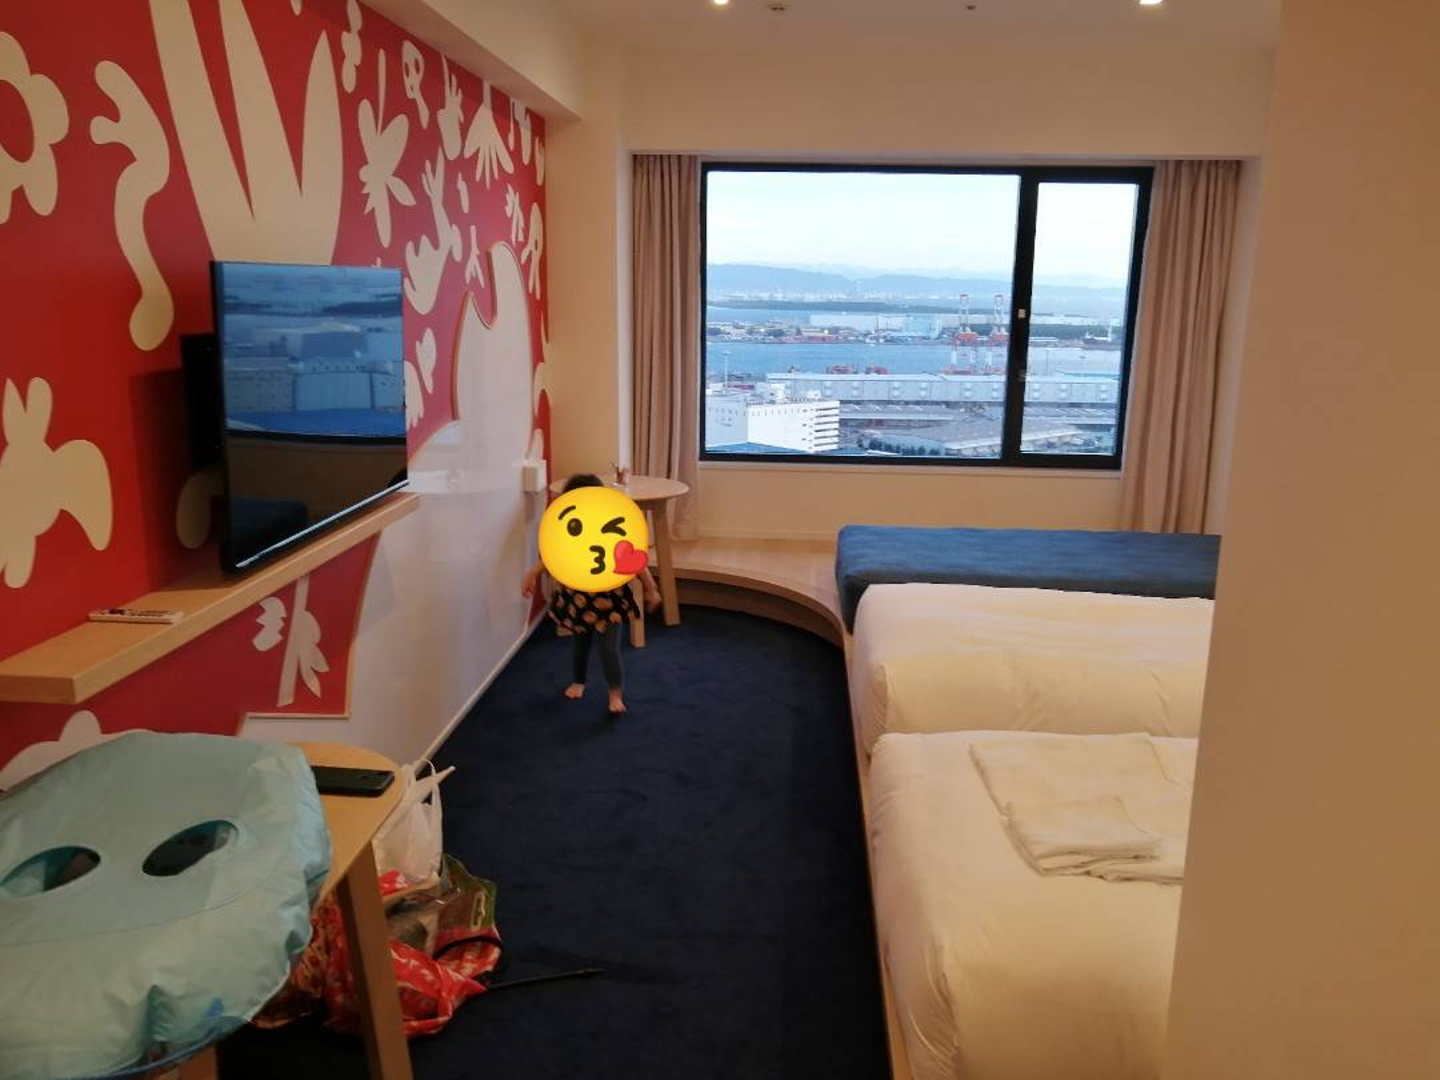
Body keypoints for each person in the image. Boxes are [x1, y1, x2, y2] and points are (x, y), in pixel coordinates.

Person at [522, 473, 662, 715]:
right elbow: (553, 557)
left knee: (609, 650)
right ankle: (579, 681)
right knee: (580, 645)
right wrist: (532, 573)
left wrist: (651, 589)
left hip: (609, 602)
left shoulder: (611, 528)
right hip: (577, 600)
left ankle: (615, 694)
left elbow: (635, 562)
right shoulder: (570, 531)